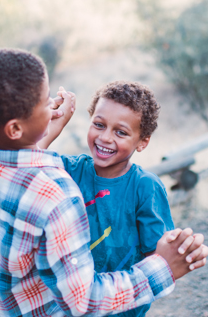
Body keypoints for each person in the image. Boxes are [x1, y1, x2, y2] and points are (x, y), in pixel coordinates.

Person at [0, 48, 208, 317]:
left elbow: (16, 165)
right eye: (42, 102)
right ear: (15, 128)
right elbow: (83, 301)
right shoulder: (56, 195)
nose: (52, 105)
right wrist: (164, 267)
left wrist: (37, 130)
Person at [39, 81, 176, 317]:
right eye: (99, 125)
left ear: (143, 141)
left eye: (121, 132)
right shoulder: (69, 170)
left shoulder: (145, 187)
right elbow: (24, 168)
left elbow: (160, 257)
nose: (105, 137)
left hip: (122, 307)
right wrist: (52, 128)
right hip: (71, 306)